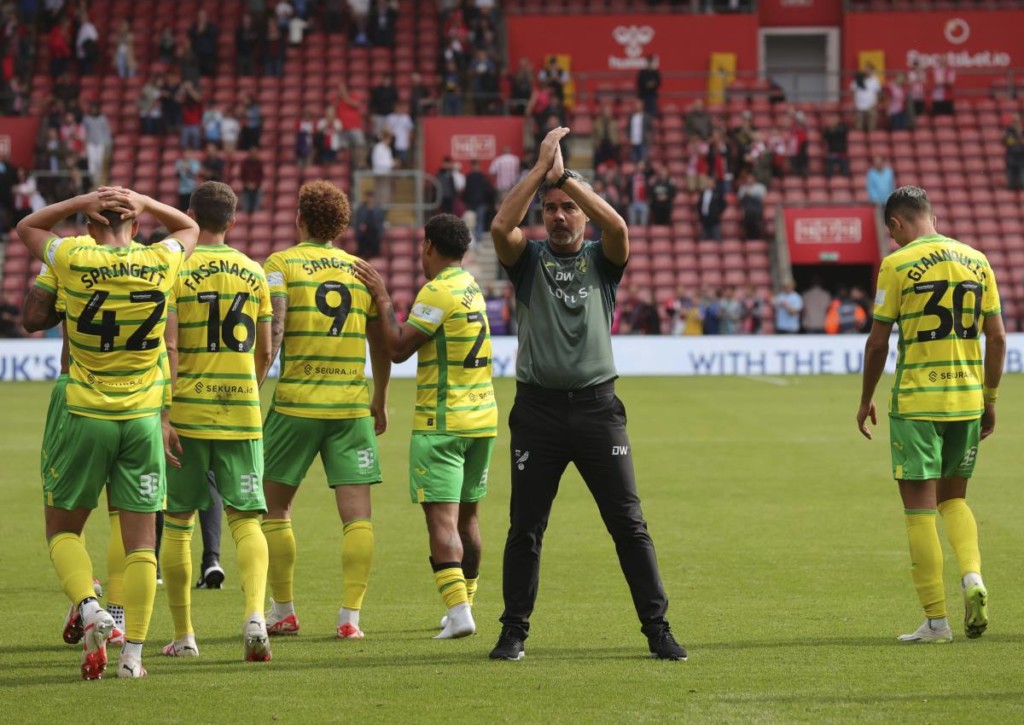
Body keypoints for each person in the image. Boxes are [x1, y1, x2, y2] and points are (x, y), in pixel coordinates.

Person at [487, 126, 686, 661]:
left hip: (599, 410)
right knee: (525, 528)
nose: (558, 215)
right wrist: (540, 171)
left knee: (628, 523)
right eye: (550, 208)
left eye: (567, 207)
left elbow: (617, 223)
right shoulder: (526, 261)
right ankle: (513, 631)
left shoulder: (604, 258)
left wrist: (567, 178)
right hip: (538, 412)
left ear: (580, 210)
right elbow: (501, 224)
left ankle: (657, 629)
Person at [16, 186, 200, 679]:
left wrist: (78, 202)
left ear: (92, 224)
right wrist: (145, 198)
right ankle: (133, 656)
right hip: (142, 418)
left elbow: (28, 227)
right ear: (136, 225)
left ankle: (89, 604)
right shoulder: (161, 259)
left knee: (62, 530)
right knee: (142, 543)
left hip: (83, 410)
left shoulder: (74, 255)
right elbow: (189, 227)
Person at [856, 185, 1004, 643]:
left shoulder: (897, 264)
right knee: (954, 499)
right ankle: (973, 577)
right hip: (966, 400)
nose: (892, 242)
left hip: (918, 401)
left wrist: (865, 399)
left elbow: (879, 341)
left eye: (891, 233)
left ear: (897, 223)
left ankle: (937, 622)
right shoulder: (979, 260)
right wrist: (991, 397)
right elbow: (997, 339)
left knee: (918, 512)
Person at [354, 214, 495, 639]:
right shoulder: (471, 286)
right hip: (481, 419)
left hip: (442, 423)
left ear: (429, 246)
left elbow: (397, 349)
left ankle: (458, 613)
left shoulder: (437, 291)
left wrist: (380, 297)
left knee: (442, 520)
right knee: (469, 517)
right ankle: (465, 601)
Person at [261, 181, 391, 640]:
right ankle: (350, 618)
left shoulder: (281, 264)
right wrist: (381, 398)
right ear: (341, 224)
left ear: (300, 218)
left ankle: (284, 610)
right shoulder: (362, 272)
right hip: (351, 408)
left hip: (295, 405)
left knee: (274, 510)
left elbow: (273, 333)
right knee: (358, 517)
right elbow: (382, 345)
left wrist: (253, 385)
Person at [159, 181, 274, 662]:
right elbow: (267, 349)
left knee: (179, 524)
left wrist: (165, 410)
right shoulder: (253, 272)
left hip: (186, 413)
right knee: (247, 521)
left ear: (190, 214)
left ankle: (185, 635)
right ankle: (254, 616)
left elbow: (169, 345)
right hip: (241, 412)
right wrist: (248, 389)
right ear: (232, 221)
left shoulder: (176, 268)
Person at [354, 189, 386, 258]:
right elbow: (358, 221)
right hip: (363, 235)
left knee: (375, 254)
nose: (370, 199)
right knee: (362, 254)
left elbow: (380, 222)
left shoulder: (378, 209)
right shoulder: (361, 209)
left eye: (371, 197)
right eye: (368, 197)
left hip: (374, 234)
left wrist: (380, 233)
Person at [851, 66, 881, 133]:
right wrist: (854, 103)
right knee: (859, 127)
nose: (867, 72)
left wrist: (876, 102)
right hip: (859, 105)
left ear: (872, 71)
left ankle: (872, 141)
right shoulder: (857, 79)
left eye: (869, 70)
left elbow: (878, 92)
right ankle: (859, 141)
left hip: (871, 106)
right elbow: (853, 91)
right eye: (866, 70)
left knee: (872, 127)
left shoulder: (875, 80)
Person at [696, 175, 725, 241]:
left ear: (713, 184)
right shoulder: (703, 193)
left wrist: (717, 212)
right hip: (704, 218)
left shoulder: (717, 193)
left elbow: (723, 204)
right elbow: (699, 204)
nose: (709, 184)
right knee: (703, 238)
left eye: (710, 182)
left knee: (716, 237)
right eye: (708, 182)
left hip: (714, 219)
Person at [1003, 114, 1024, 191]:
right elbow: (1007, 142)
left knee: (1022, 178)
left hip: (1022, 157)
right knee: (1011, 176)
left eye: (1017, 121)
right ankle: (1011, 186)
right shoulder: (1008, 131)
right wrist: (1017, 139)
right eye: (1014, 121)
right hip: (1011, 156)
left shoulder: (1022, 131)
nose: (1016, 123)